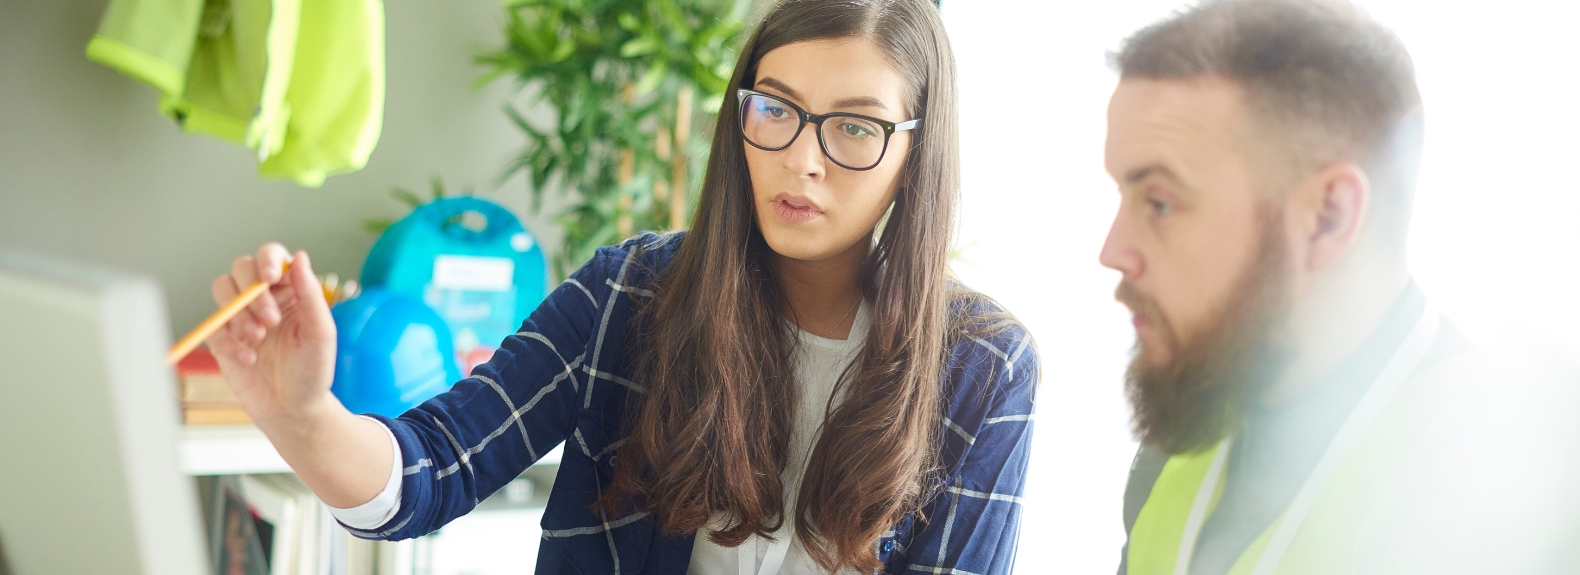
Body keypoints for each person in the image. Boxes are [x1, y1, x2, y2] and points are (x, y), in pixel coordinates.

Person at [205, 0, 1037, 573]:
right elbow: (432, 470)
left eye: (855, 127)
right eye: (775, 109)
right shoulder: (629, 294)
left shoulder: (984, 367)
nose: (803, 158)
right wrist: (301, 413)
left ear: (915, 152)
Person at [1100, 0, 1580, 573]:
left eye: (1159, 202)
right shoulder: (1180, 442)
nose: (1112, 251)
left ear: (1327, 217)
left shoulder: (1521, 499)